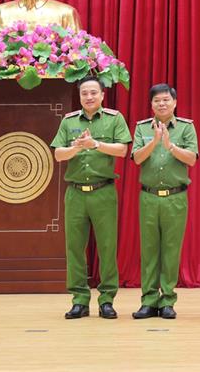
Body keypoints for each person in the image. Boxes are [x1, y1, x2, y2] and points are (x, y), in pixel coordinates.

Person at [50, 76, 131, 319]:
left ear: (102, 95)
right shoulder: (69, 121)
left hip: (103, 191)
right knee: (74, 248)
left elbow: (122, 150)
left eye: (93, 92)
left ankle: (107, 299)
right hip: (75, 193)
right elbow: (58, 155)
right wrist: (76, 147)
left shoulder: (114, 119)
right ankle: (79, 300)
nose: (89, 97)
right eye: (85, 93)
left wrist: (94, 144)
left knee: (107, 247)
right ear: (80, 96)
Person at [130, 84, 197, 320]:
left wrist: (170, 145)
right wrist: (154, 141)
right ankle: (148, 300)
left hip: (176, 197)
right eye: (157, 100)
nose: (162, 104)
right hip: (148, 197)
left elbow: (192, 158)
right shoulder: (141, 128)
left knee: (171, 250)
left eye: (166, 100)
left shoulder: (186, 128)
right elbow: (137, 158)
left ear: (175, 102)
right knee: (149, 250)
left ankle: (167, 299)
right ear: (151, 104)